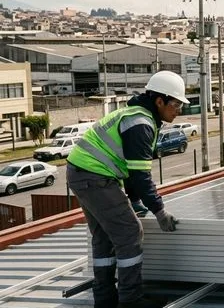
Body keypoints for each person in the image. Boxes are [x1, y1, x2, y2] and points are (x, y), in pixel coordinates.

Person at [66, 71, 185, 308]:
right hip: (95, 177)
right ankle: (131, 300)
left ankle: (105, 298)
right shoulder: (141, 124)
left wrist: (134, 200)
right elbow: (140, 176)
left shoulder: (136, 115)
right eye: (176, 104)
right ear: (159, 101)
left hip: (81, 173)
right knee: (130, 233)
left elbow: (131, 170)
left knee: (103, 236)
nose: (178, 110)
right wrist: (159, 211)